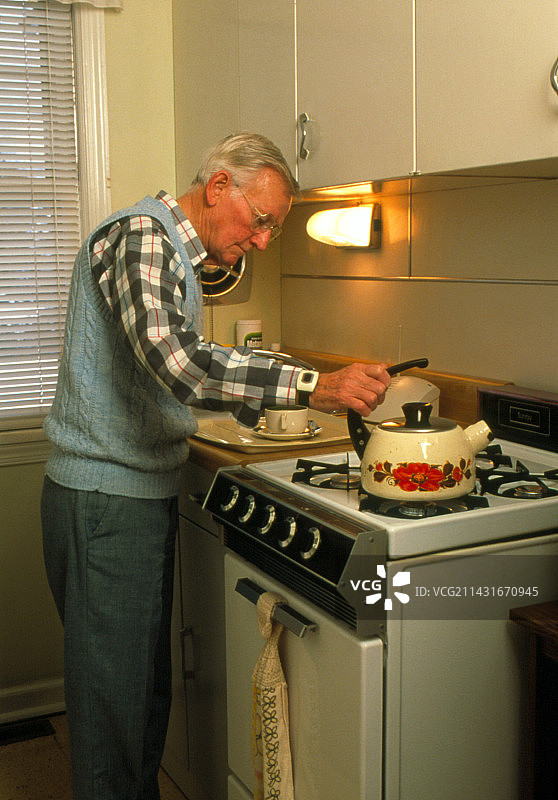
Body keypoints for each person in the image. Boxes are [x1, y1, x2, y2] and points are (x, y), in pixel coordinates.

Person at [41, 132, 390, 800]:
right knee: (115, 707)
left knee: (137, 693)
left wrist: (264, 401)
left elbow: (155, 372)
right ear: (221, 186)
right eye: (261, 221)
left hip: (118, 496)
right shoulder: (143, 235)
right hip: (107, 502)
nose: (263, 241)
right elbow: (176, 363)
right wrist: (313, 385)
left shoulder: (165, 247)